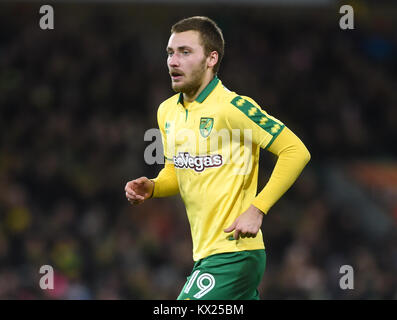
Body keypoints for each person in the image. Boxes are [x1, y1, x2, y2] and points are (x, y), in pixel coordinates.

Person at [125, 16, 310, 300]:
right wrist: (153, 187)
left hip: (234, 253)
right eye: (170, 53)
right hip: (206, 253)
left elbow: (296, 151)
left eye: (185, 52)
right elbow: (177, 172)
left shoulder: (233, 107)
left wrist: (257, 208)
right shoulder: (167, 112)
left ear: (211, 58)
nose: (173, 61)